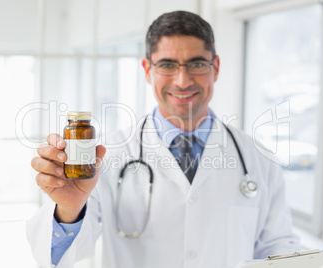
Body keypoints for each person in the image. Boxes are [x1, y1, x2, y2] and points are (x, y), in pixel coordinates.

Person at [27, 10, 300, 268]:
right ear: (148, 69)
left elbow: (277, 246)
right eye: (167, 65)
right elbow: (59, 254)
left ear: (215, 67)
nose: (182, 80)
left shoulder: (258, 158)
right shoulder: (106, 157)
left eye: (196, 64)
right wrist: (69, 210)